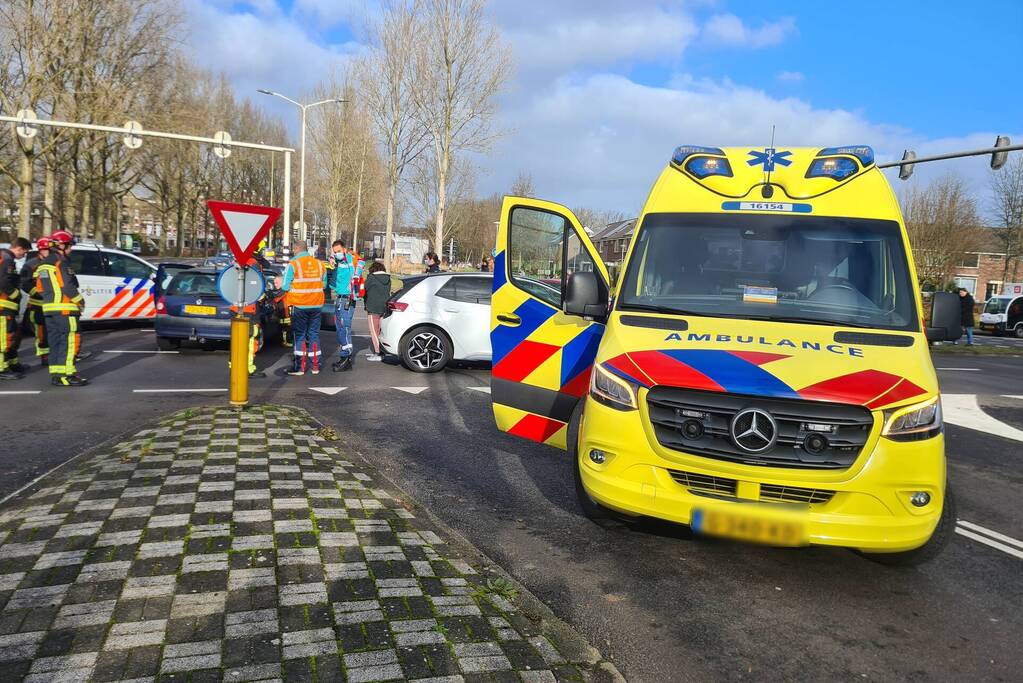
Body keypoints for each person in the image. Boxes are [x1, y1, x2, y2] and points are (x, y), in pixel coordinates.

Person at [36, 231, 88, 386]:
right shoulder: (61, 262)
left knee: (55, 342)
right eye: (70, 245)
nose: (71, 249)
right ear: (62, 245)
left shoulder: (43, 264)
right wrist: (80, 301)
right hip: (65, 309)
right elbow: (67, 286)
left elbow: (39, 288)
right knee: (69, 341)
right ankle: (67, 375)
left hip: (49, 310)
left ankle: (57, 374)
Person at [278, 240, 326, 375]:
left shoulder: (293, 264)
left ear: (296, 249)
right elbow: (325, 285)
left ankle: (300, 367)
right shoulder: (319, 264)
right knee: (314, 334)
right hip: (316, 305)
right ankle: (315, 366)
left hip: (300, 305)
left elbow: (285, 286)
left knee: (300, 335)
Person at [329, 239, 363, 372]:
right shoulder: (339, 260)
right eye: (334, 252)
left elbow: (360, 262)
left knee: (345, 328)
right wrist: (332, 257)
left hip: (347, 299)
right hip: (340, 298)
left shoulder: (350, 259)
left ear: (344, 250)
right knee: (339, 328)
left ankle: (346, 358)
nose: (336, 254)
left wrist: (356, 275)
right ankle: (344, 357)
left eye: (338, 251)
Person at [0, 237, 30, 380]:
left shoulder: (3, 256)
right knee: (4, 339)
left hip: (6, 306)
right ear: (19, 248)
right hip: (4, 306)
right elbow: (4, 282)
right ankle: (2, 369)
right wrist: (16, 295)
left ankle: (12, 363)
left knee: (12, 336)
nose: (23, 256)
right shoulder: (7, 260)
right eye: (24, 253)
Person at [20, 236, 52, 367]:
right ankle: (44, 357)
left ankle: (54, 354)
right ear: (40, 250)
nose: (48, 252)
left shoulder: (53, 262)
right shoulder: (31, 264)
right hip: (38, 305)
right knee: (41, 332)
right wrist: (38, 294)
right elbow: (24, 283)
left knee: (54, 331)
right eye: (45, 249)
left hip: (52, 304)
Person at [363, 261, 390, 361]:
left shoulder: (371, 278)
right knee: (381, 331)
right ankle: (381, 351)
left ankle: (378, 353)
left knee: (374, 331)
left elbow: (364, 289)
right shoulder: (388, 279)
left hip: (373, 307)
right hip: (385, 307)